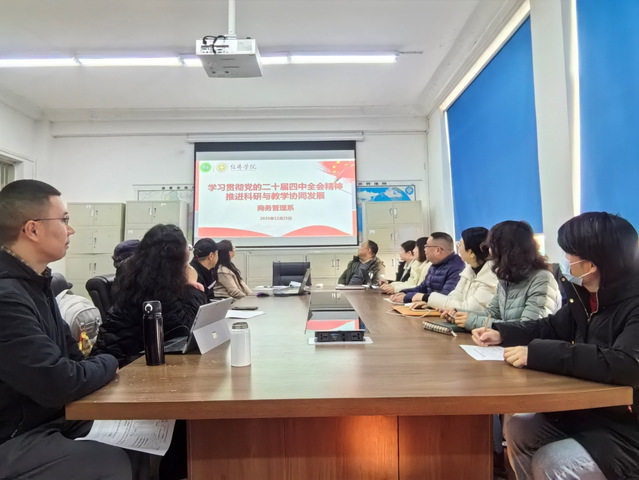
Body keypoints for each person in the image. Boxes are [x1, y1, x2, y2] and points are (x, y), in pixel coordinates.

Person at [472, 212, 639, 480]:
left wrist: (536, 354)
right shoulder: (586, 295)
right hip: (592, 410)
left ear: (592, 263)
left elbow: (626, 364)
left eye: (569, 255)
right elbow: (551, 327)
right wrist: (502, 333)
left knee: (554, 462)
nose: (565, 261)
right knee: (520, 428)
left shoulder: (633, 302)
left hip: (628, 426)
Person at [0, 180, 131, 479]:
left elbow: (72, 359)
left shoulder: (37, 282)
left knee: (142, 433)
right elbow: (58, 382)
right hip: (13, 435)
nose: (70, 230)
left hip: (47, 418)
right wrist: (111, 362)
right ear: (33, 229)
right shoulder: (7, 297)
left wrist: (93, 367)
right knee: (108, 463)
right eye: (64, 220)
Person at [92, 224, 207, 367]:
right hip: (121, 366)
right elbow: (186, 328)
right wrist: (193, 286)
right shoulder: (153, 288)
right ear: (177, 258)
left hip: (132, 358)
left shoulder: (145, 276)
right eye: (188, 248)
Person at [454, 221, 561, 331]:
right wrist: (458, 314)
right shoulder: (506, 277)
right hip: (508, 340)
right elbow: (493, 313)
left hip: (528, 342)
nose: (489, 252)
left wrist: (473, 321)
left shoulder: (542, 279)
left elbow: (529, 327)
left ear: (506, 250)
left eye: (491, 246)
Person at [428, 227, 498, 312]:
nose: (458, 248)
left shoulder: (492, 275)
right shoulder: (469, 270)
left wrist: (428, 298)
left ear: (471, 253)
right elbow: (454, 297)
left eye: (460, 245)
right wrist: (433, 304)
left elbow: (469, 309)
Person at [390, 232, 464, 303]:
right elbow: (422, 288)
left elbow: (444, 297)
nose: (424, 249)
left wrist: (408, 297)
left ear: (438, 250)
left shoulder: (456, 267)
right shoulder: (434, 265)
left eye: (426, 246)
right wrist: (403, 293)